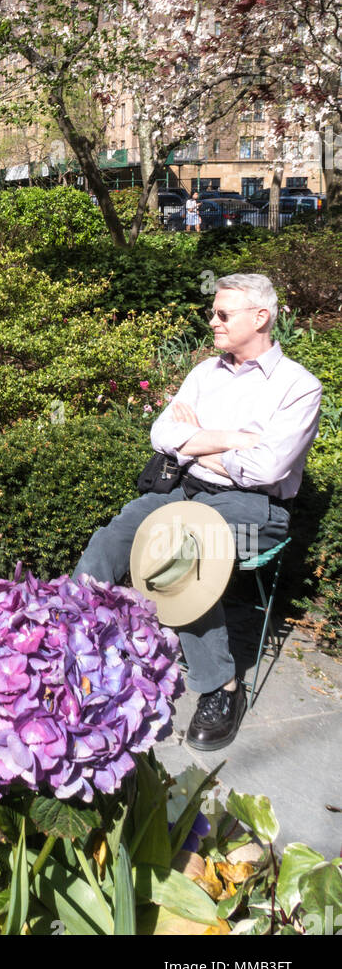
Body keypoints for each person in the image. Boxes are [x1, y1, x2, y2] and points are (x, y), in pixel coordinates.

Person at [73, 273, 321, 751]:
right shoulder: (206, 372)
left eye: (223, 314)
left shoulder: (299, 387)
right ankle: (74, 640)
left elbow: (265, 467)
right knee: (114, 536)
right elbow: (162, 435)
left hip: (255, 508)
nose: (213, 321)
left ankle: (221, 687)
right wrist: (231, 440)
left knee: (185, 553)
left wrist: (199, 442)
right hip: (185, 489)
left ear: (261, 317)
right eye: (214, 313)